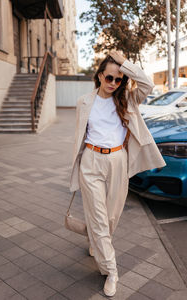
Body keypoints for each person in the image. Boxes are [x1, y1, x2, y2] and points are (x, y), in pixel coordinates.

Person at [70, 50, 166, 297]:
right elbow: (80, 135)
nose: (113, 83)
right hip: (90, 162)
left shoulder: (128, 100)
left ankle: (95, 241)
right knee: (100, 218)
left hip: (117, 161)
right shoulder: (84, 101)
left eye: (118, 79)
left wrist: (124, 63)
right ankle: (111, 271)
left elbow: (148, 83)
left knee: (111, 217)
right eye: (109, 77)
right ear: (100, 76)